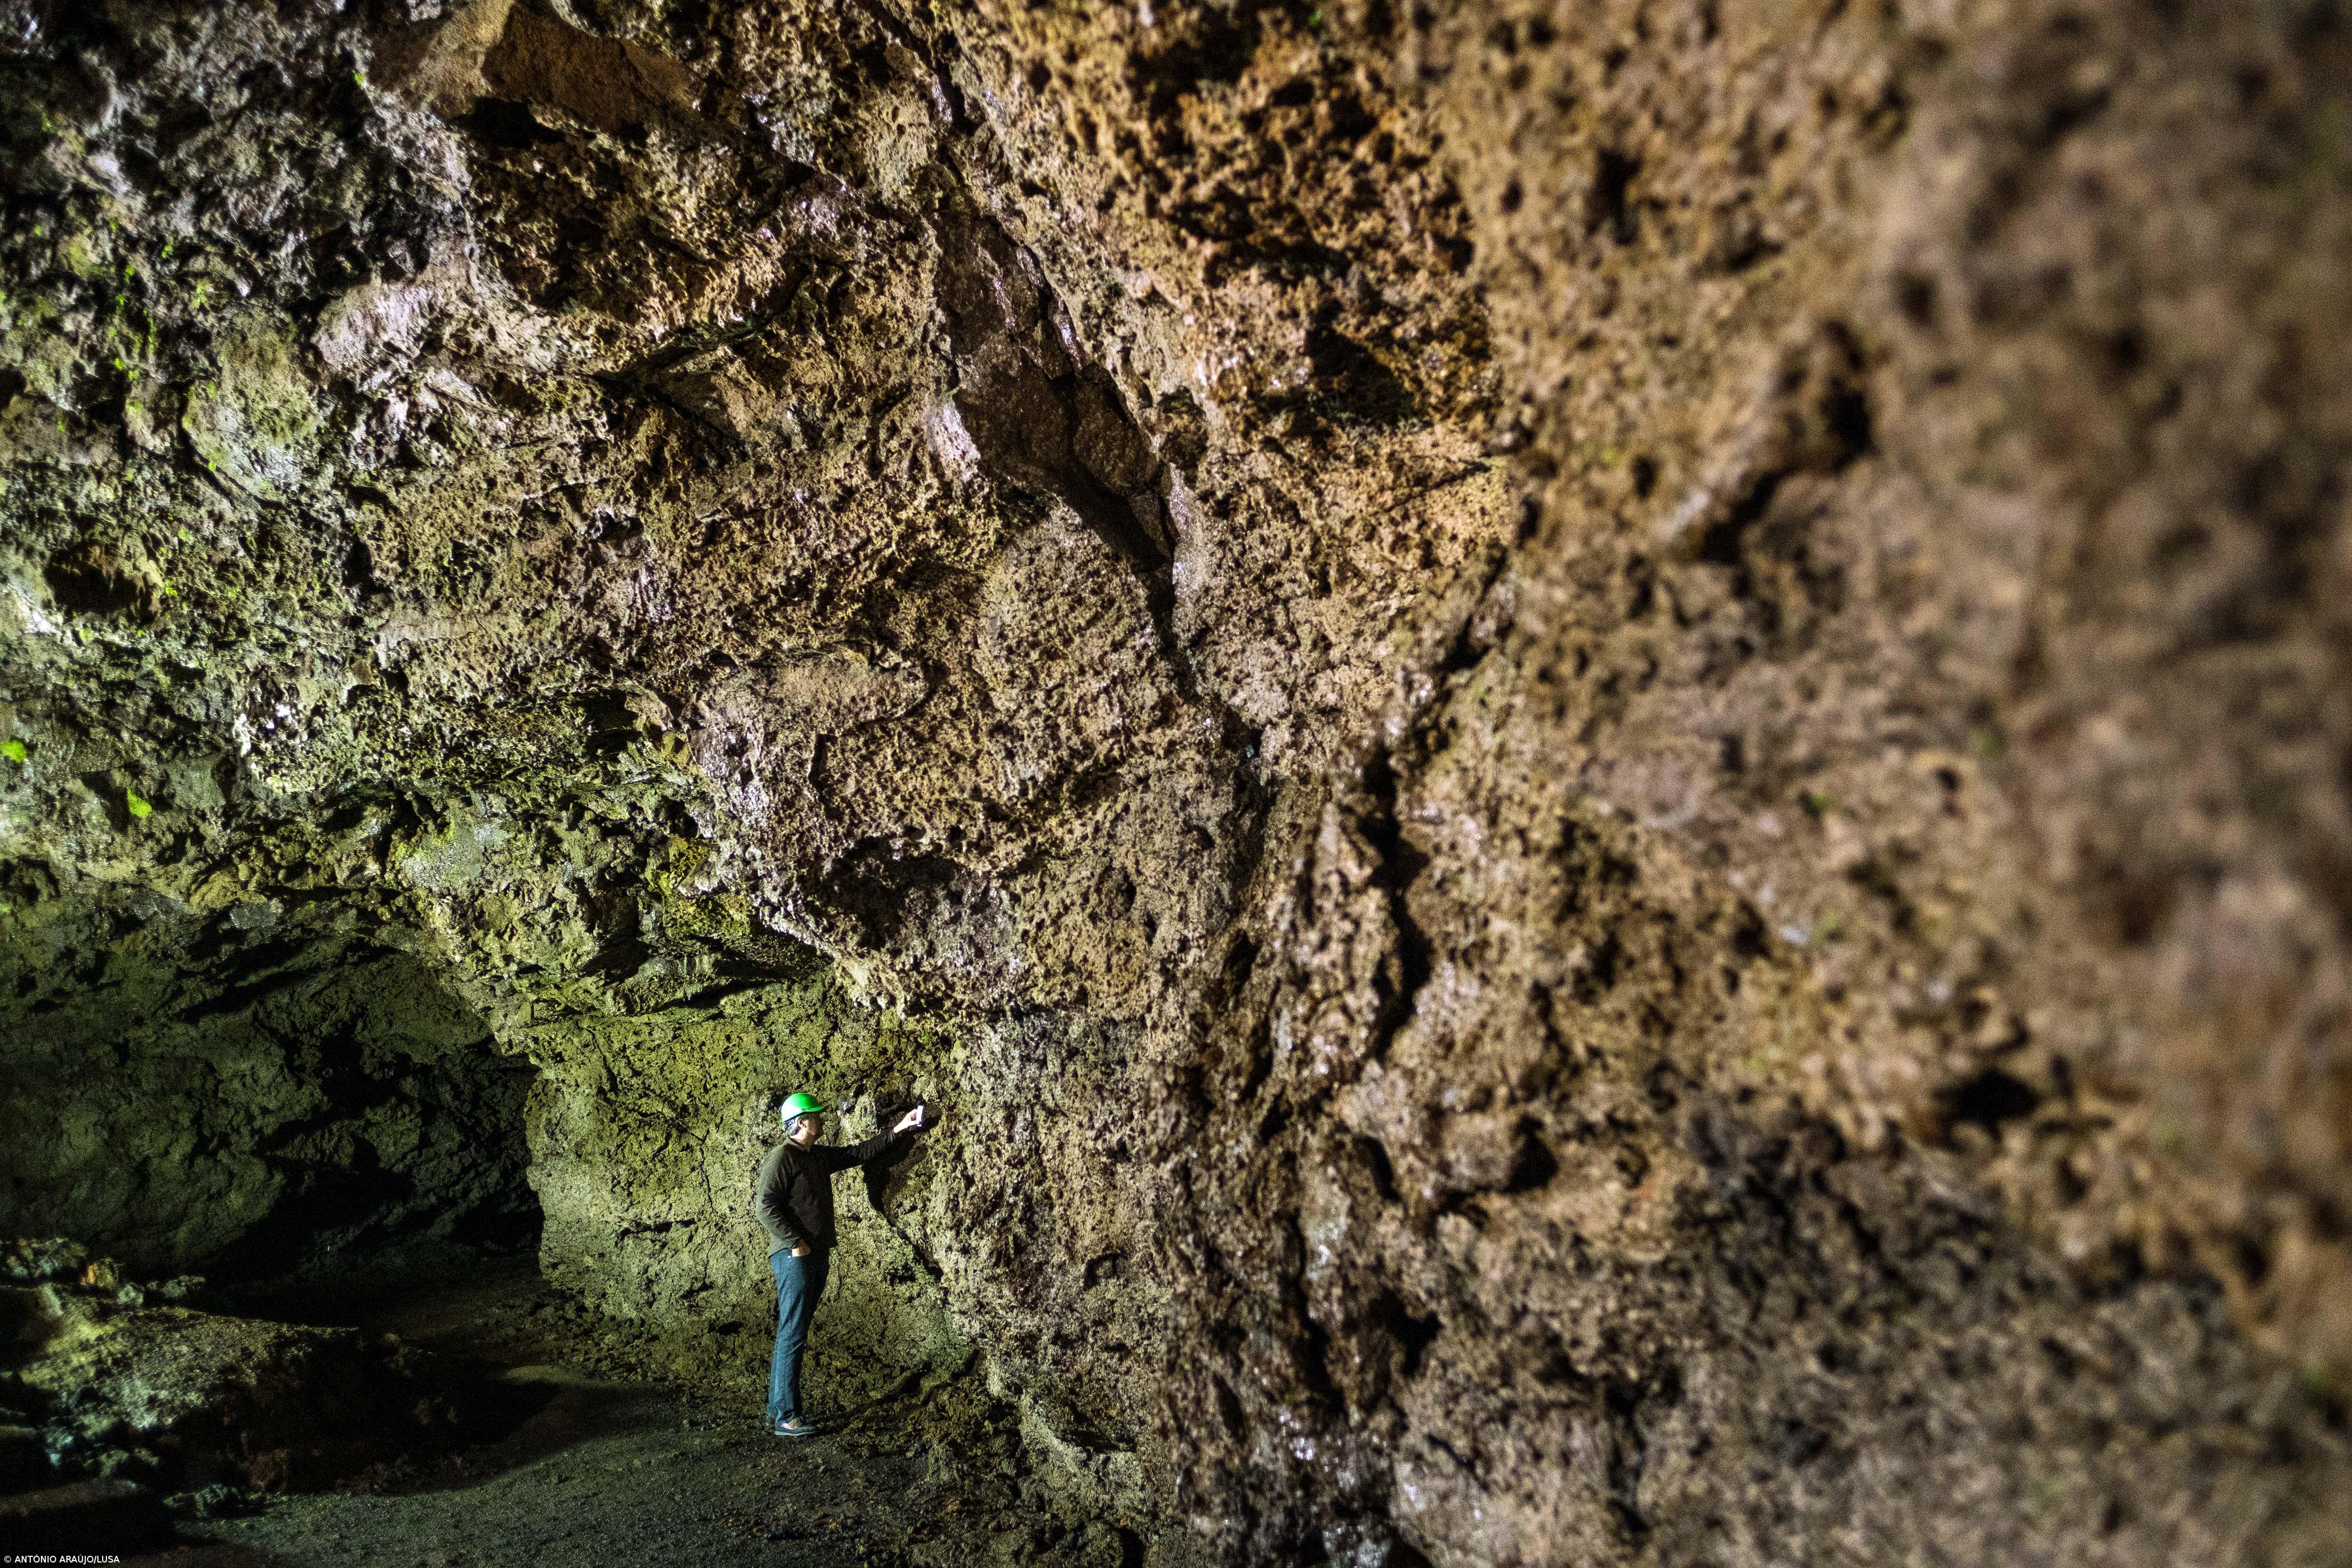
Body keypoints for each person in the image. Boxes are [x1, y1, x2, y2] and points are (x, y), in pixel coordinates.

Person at [752, 1091, 925, 1438]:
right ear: (801, 1122)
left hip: (814, 1254)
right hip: (794, 1257)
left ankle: (777, 1407)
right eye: (816, 1115)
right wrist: (795, 1241)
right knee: (794, 1332)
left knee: (793, 1329)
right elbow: (764, 1206)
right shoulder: (782, 1158)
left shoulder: (813, 1156)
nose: (822, 1119)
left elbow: (856, 1154)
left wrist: (900, 1128)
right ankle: (787, 1416)